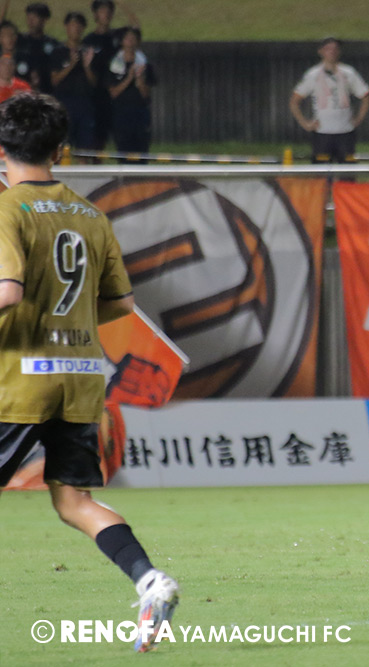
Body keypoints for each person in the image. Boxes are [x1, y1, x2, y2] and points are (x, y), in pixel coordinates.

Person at [0, 92, 178, 652]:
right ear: (61, 150)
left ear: (2, 150)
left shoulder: (7, 210)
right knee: (72, 501)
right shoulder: (89, 214)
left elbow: (8, 291)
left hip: (21, 378)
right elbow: (121, 303)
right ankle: (149, 580)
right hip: (79, 377)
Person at [290, 36, 369, 164]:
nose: (332, 52)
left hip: (345, 131)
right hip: (322, 132)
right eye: (328, 49)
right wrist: (305, 123)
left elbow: (365, 96)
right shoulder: (313, 74)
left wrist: (358, 119)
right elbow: (294, 101)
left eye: (335, 49)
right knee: (321, 171)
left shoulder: (349, 73)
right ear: (321, 51)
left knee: (347, 170)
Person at [83, 0, 140, 151]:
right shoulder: (89, 40)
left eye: (109, 11)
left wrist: (122, 5)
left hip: (118, 92)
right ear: (95, 14)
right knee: (97, 139)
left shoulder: (118, 36)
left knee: (122, 136)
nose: (106, 14)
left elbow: (135, 28)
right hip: (98, 94)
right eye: (102, 11)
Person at [102, 26, 154, 159]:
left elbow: (147, 94)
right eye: (127, 38)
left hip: (140, 111)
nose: (130, 41)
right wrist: (129, 78)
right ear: (122, 41)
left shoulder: (144, 63)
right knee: (123, 150)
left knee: (142, 151)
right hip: (121, 112)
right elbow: (113, 93)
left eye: (133, 38)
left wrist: (140, 81)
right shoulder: (115, 63)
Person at [50, 11, 97, 151]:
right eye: (72, 25)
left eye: (79, 26)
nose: (76, 29)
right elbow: (55, 80)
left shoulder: (89, 52)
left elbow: (94, 83)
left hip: (85, 102)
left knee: (84, 148)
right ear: (66, 27)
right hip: (64, 102)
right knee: (61, 146)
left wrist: (87, 67)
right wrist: (71, 65)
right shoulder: (58, 52)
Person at [18, 2, 60, 91]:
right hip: (21, 91)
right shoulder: (19, 41)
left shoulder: (53, 44)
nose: (30, 21)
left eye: (34, 18)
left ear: (44, 20)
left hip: (47, 91)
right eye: (28, 18)